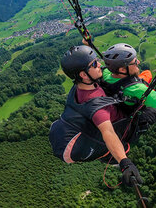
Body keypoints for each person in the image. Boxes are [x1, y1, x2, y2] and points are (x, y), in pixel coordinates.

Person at [49, 45, 142, 187]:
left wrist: (86, 43)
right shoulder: (96, 108)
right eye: (94, 64)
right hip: (124, 128)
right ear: (83, 75)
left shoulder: (81, 87)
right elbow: (108, 132)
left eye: (96, 60)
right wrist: (125, 162)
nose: (99, 64)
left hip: (102, 123)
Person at [102, 43, 156, 134]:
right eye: (135, 62)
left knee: (147, 73)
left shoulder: (106, 73)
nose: (138, 62)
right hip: (136, 116)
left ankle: (152, 94)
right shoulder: (138, 89)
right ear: (122, 70)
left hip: (121, 92)